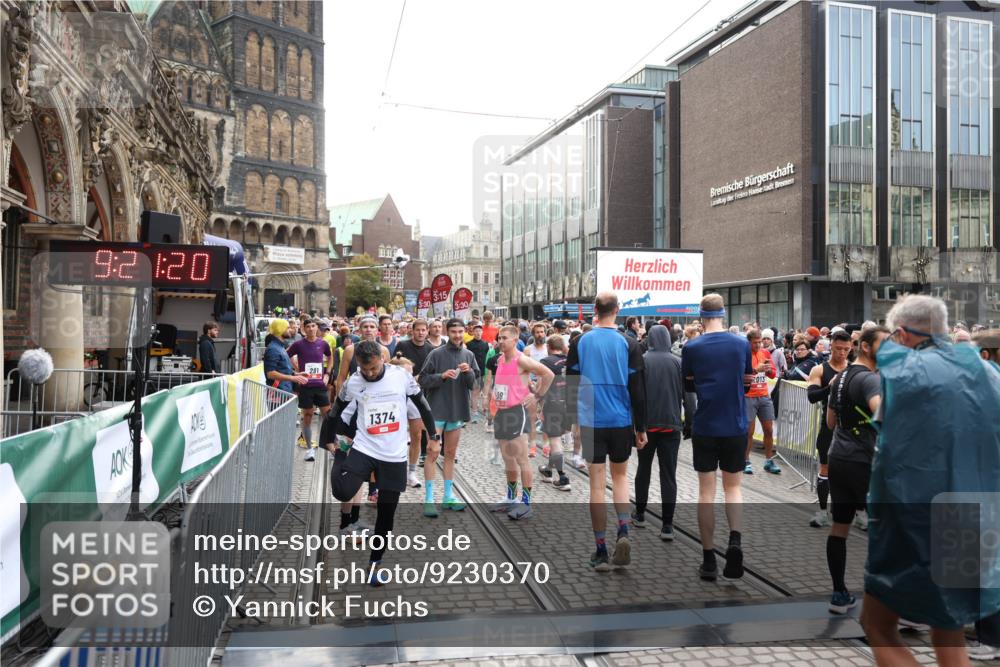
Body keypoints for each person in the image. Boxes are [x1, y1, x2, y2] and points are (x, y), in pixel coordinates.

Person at [862, 296, 1000, 666]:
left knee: (876, 624)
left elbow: (890, 453)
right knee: (948, 627)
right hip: (973, 516)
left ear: (904, 334)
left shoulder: (908, 374)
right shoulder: (988, 372)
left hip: (914, 516)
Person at [329, 341, 440, 586]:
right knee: (342, 490)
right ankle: (340, 456)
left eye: (373, 368)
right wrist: (330, 439)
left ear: (383, 359)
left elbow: (423, 405)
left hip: (394, 455)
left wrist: (434, 437)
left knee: (386, 515)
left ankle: (375, 564)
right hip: (364, 448)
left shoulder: (400, 376)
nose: (369, 373)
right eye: (364, 369)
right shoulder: (354, 381)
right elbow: (336, 410)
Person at [567, 292, 646, 572]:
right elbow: (638, 390)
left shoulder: (579, 341)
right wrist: (641, 428)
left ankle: (600, 550)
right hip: (621, 419)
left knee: (596, 486)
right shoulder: (630, 343)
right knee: (621, 477)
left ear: (595, 311)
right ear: (618, 310)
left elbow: (572, 382)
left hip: (591, 420)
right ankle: (623, 530)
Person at [681, 293, 751, 582]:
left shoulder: (691, 347)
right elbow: (747, 382)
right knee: (733, 488)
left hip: (706, 425)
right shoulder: (742, 344)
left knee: (705, 493)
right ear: (724, 313)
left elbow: (689, 384)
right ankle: (734, 539)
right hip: (735, 424)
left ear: (701, 315)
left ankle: (708, 559)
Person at [824, 325, 889, 615]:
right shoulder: (869, 380)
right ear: (865, 346)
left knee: (840, 527)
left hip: (838, 458)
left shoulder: (839, 378)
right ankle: (889, 605)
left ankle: (839, 594)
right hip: (864, 461)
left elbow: (829, 423)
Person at [490, 324, 554, 520]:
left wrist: (537, 396)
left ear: (515, 340)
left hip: (517, 412)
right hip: (501, 412)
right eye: (499, 338)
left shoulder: (522, 359)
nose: (500, 341)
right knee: (508, 458)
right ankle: (511, 497)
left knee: (521, 458)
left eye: (505, 338)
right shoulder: (500, 359)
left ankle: (526, 503)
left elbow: (548, 374)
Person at [418, 318, 478, 517]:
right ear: (447, 332)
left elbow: (472, 383)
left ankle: (448, 496)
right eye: (454, 332)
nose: (458, 335)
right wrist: (441, 376)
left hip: (457, 410)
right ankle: (428, 499)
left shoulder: (468, 355)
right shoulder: (436, 354)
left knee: (450, 454)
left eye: (461, 331)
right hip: (436, 411)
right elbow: (423, 379)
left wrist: (468, 372)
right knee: (432, 452)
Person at [632, 324, 683, 541]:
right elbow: (687, 395)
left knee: (643, 470)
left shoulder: (642, 361)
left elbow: (635, 394)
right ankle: (668, 525)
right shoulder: (678, 362)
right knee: (668, 475)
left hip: (647, 426)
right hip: (671, 426)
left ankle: (641, 513)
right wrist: (689, 421)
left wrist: (636, 425)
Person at [805, 329, 852, 528]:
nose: (842, 353)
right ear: (830, 345)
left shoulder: (855, 368)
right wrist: (831, 387)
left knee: (852, 472)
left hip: (850, 428)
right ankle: (823, 512)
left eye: (846, 349)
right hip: (829, 426)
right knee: (825, 469)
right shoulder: (820, 370)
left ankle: (857, 512)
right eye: (838, 348)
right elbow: (812, 396)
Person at [287, 319, 335, 461]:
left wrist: (327, 373)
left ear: (317, 328)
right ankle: (309, 449)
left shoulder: (323, 343)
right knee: (307, 415)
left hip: (320, 385)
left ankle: (333, 445)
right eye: (307, 326)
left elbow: (330, 356)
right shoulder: (299, 344)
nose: (310, 329)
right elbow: (286, 355)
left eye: (313, 326)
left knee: (328, 415)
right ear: (304, 329)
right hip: (306, 386)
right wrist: (297, 369)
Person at [396, 318, 435, 482]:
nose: (420, 333)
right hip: (399, 394)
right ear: (412, 330)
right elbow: (394, 365)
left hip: (418, 395)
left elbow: (433, 372)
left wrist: (422, 380)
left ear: (427, 331)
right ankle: (396, 466)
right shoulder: (402, 346)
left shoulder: (431, 349)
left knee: (417, 435)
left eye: (423, 330)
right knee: (396, 433)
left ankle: (411, 472)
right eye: (417, 330)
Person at [536, 334, 572, 491]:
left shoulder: (546, 362)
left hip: (553, 404)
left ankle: (563, 477)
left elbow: (540, 385)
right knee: (557, 439)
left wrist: (536, 399)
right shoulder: (570, 361)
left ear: (548, 347)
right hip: (570, 404)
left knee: (555, 441)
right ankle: (548, 470)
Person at [744, 329, 779, 475]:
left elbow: (772, 375)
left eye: (760, 342)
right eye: (755, 343)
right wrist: (755, 370)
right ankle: (745, 461)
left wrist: (768, 369)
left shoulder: (765, 352)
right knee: (749, 432)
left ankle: (769, 461)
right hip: (748, 396)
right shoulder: (743, 354)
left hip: (764, 395)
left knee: (769, 430)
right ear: (749, 342)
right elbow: (740, 374)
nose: (758, 345)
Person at [263, 318, 307, 394]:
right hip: (278, 393)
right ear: (280, 329)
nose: (290, 330)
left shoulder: (279, 346)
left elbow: (282, 369)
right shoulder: (273, 348)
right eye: (288, 328)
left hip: (284, 390)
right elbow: (270, 374)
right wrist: (293, 378)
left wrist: (296, 374)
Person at [466, 323, 491, 424]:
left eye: (479, 331)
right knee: (475, 392)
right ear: (473, 332)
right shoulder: (469, 344)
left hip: (484, 371)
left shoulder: (485, 344)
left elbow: (488, 357)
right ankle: (474, 412)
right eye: (476, 331)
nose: (478, 333)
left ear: (482, 332)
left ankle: (485, 409)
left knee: (486, 392)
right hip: (473, 372)